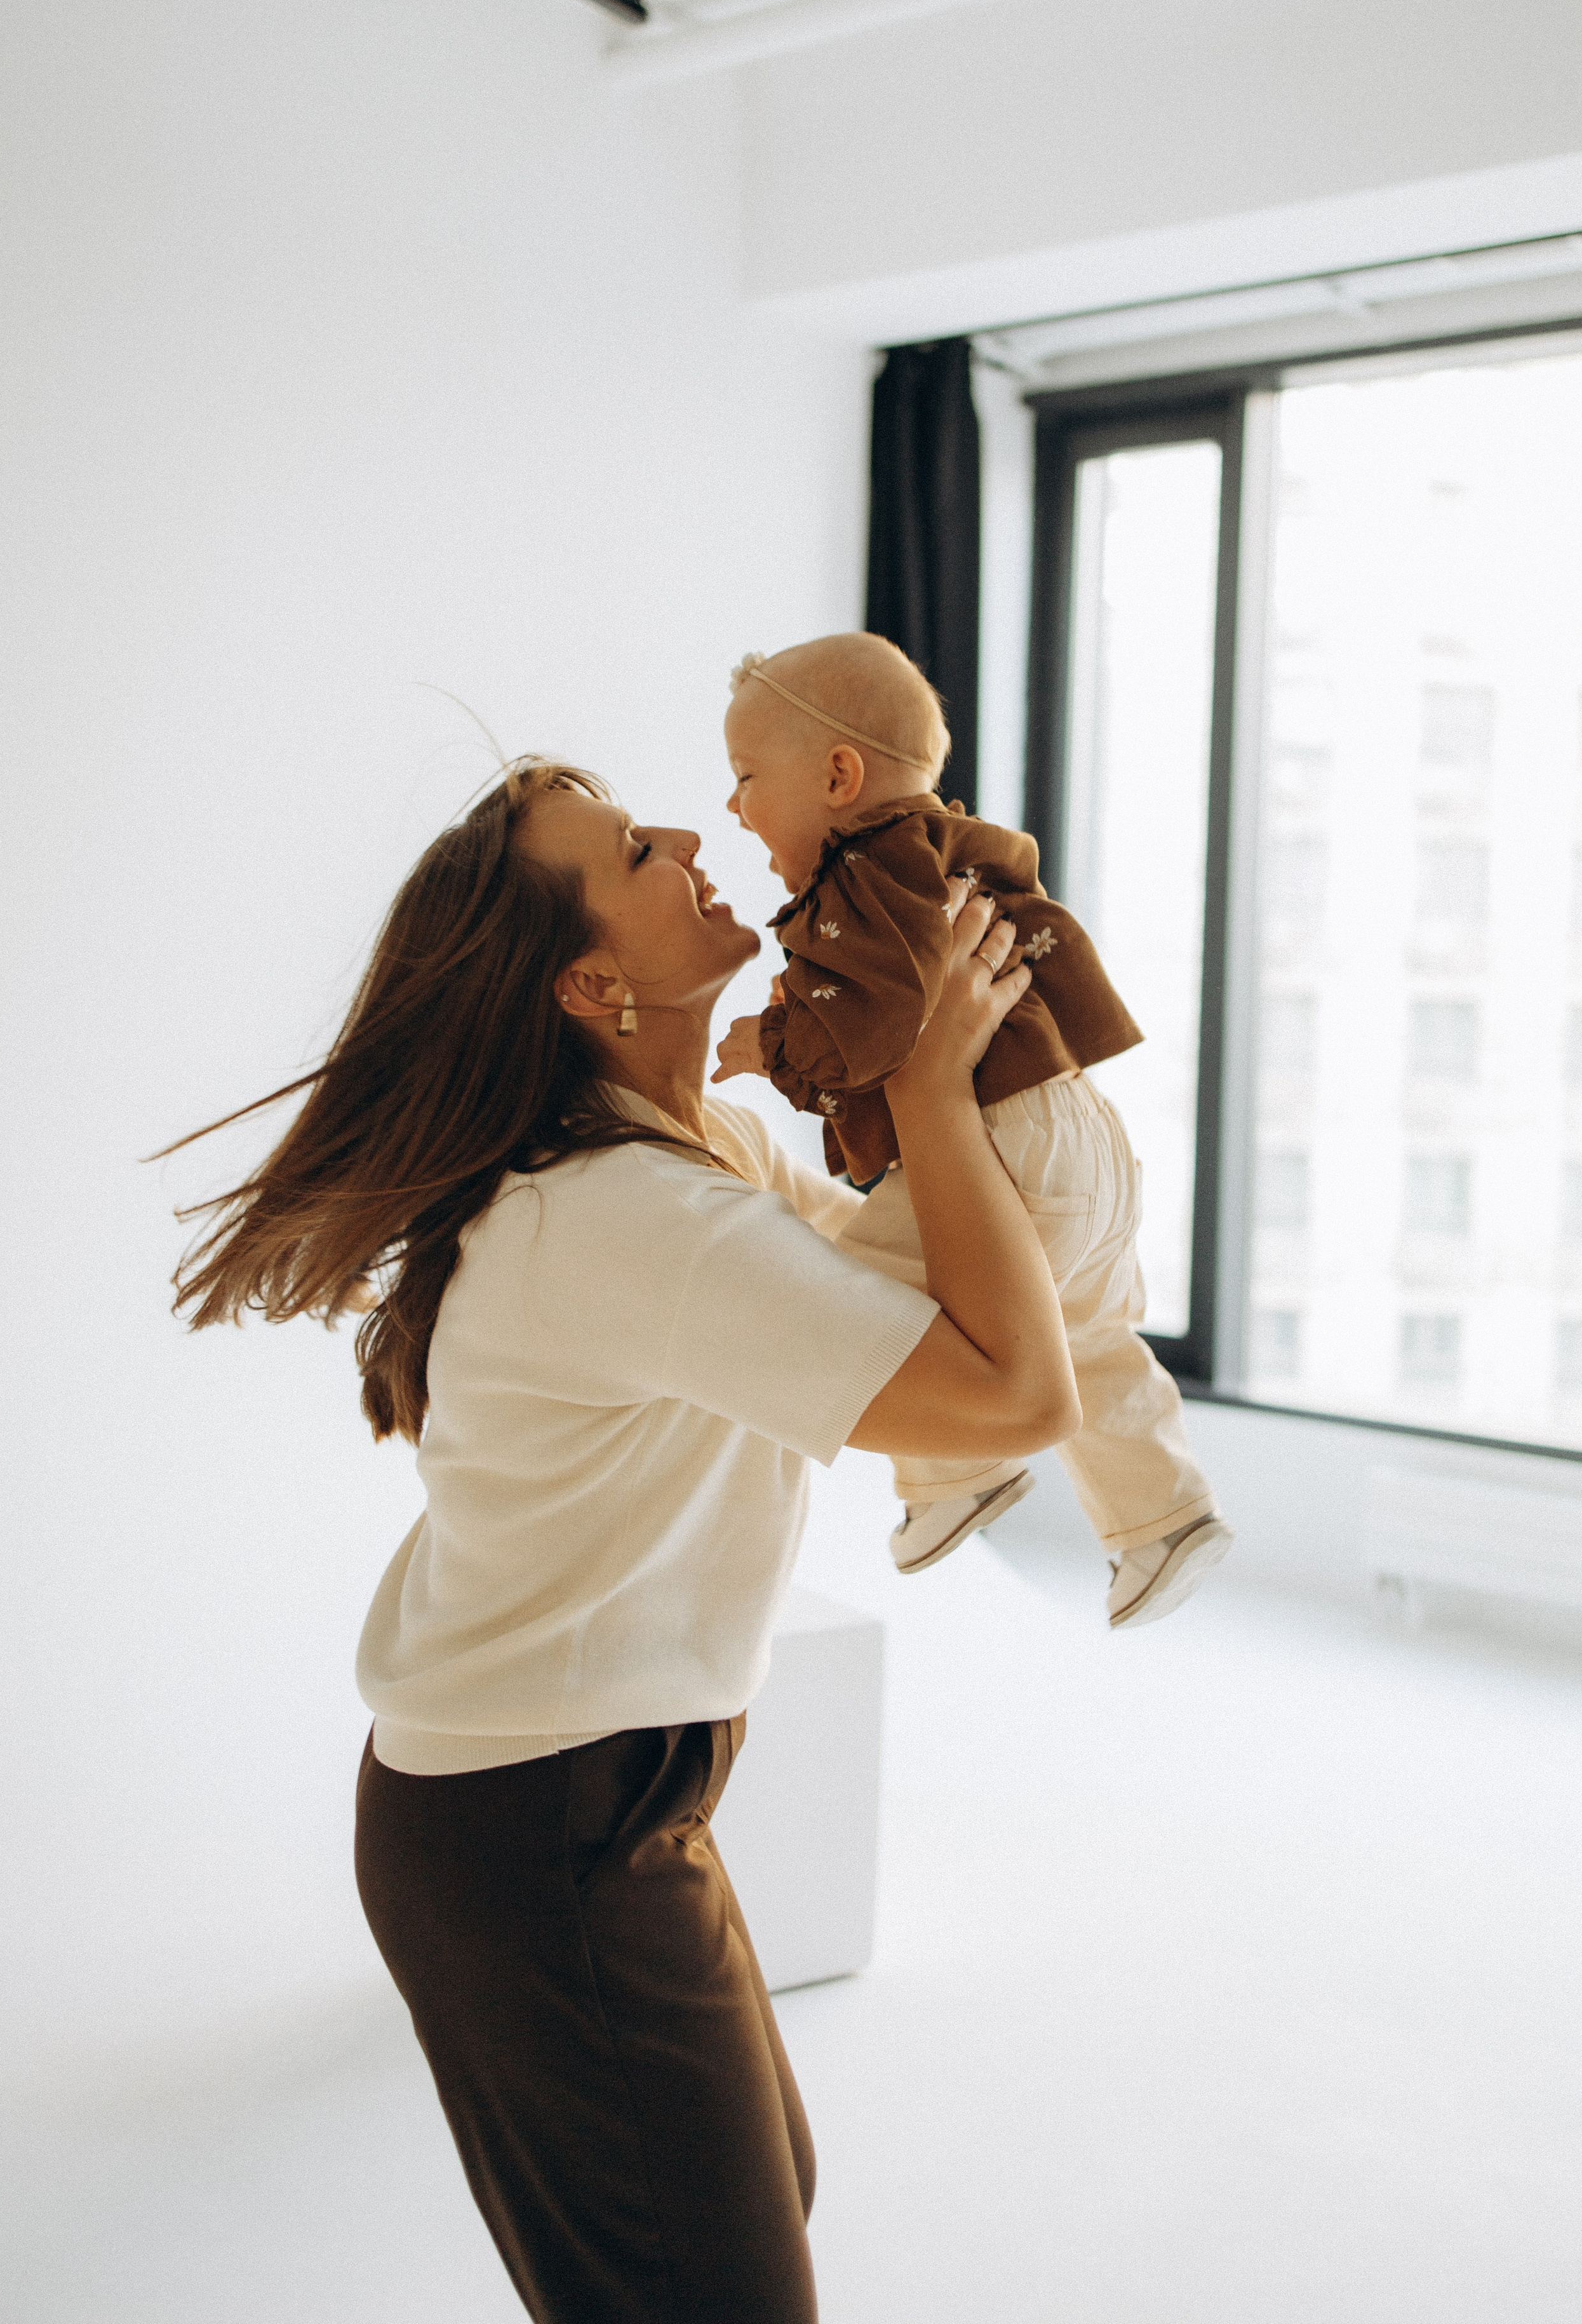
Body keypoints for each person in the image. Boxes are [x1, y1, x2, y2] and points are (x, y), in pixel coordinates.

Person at [165, 757, 1080, 2324]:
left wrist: (912, 1046)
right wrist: (930, 1089)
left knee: (751, 2215)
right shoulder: (628, 1219)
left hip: (600, 1793)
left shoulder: (689, 1146)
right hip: (537, 1823)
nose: (687, 836)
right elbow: (1007, 1395)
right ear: (592, 984)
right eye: (635, 853)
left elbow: (907, 1294)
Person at [717, 634, 1231, 1627]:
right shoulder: (949, 853)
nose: (735, 807)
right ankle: (1165, 1519)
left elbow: (871, 1027)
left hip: (1005, 1148)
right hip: (1082, 1135)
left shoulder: (868, 877)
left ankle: (954, 1475)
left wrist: (771, 1044)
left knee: (871, 1301)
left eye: (745, 777)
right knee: (1085, 1333)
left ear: (839, 777)